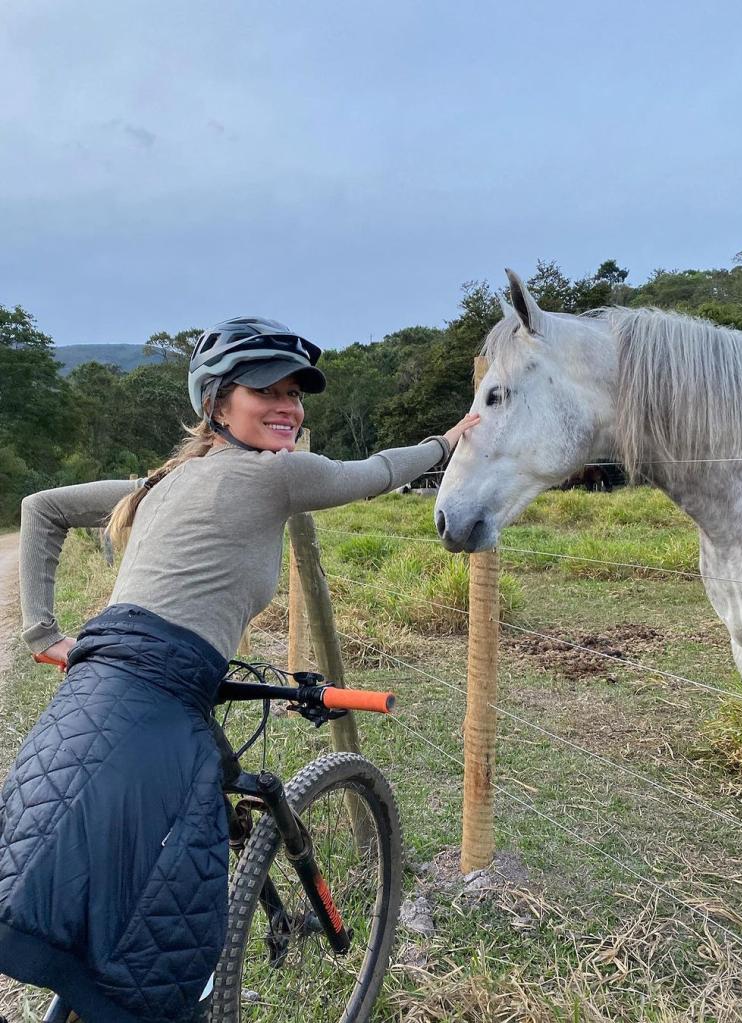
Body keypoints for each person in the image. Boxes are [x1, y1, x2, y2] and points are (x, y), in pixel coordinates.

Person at [0, 316, 479, 1023]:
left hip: (103, 680)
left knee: (75, 880)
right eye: (268, 391)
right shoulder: (274, 475)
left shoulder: (163, 480)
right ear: (218, 403)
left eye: (296, 393)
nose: (288, 407)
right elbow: (376, 471)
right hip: (153, 691)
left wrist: (45, 631)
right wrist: (448, 438)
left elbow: (42, 506)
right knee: (162, 909)